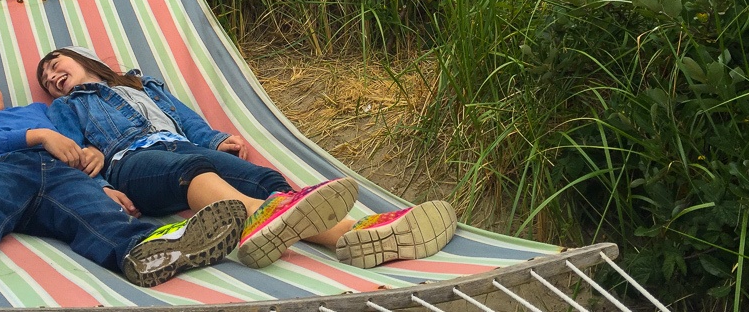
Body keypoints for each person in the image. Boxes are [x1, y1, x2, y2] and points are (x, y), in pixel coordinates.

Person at [39, 47, 457, 270]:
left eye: (57, 65)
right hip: (132, 165)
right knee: (189, 170)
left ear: (81, 56)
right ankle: (287, 221)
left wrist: (215, 139)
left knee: (265, 179)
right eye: (47, 80)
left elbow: (186, 120)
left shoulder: (143, 83)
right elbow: (73, 156)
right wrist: (101, 187)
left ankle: (361, 237)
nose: (53, 77)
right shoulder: (65, 108)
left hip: (188, 147)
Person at [0, 61, 247, 295]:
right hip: (5, 166)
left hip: (65, 176)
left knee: (99, 217)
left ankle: (147, 252)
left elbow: (79, 142)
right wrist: (37, 136)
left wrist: (99, 171)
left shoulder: (41, 109)